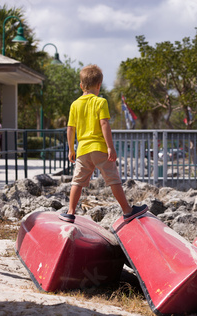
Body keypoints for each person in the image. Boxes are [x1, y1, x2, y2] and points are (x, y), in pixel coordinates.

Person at [59, 64, 147, 223]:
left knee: (77, 181)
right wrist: (110, 147)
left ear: (81, 85)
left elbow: (70, 129)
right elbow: (104, 124)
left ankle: (70, 212)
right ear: (99, 85)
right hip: (99, 148)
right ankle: (127, 210)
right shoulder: (101, 102)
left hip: (83, 150)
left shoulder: (75, 104)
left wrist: (71, 149)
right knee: (113, 179)